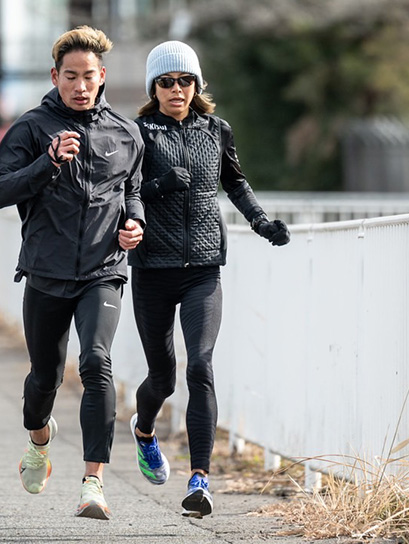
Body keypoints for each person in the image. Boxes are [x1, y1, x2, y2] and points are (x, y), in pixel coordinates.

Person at [0, 26, 145, 520]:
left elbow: (132, 189)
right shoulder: (32, 129)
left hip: (104, 271)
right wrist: (46, 165)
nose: (79, 85)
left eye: (88, 76)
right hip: (47, 273)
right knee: (44, 381)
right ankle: (39, 439)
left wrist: (135, 222)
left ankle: (93, 483)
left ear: (102, 78)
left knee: (97, 364)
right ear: (55, 76)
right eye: (70, 76)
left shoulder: (127, 132)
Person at [127, 40, 290, 518]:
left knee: (200, 365)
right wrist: (160, 186)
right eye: (166, 82)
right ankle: (143, 429)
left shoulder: (216, 130)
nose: (176, 89)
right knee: (163, 377)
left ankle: (200, 480)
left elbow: (234, 182)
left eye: (185, 81)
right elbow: (126, 192)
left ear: (197, 85)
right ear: (153, 89)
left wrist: (261, 222)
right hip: (153, 271)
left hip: (202, 269)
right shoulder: (138, 134)